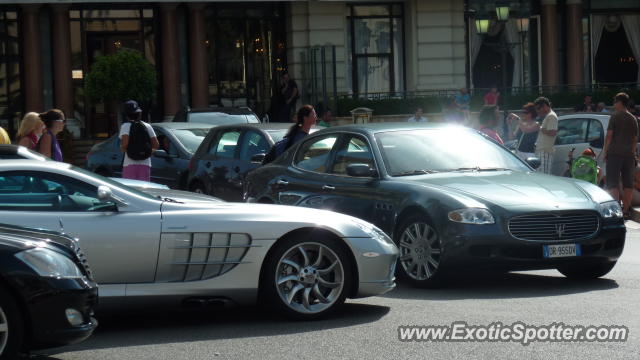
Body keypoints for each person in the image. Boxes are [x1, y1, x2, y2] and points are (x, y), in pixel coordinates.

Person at [604, 92, 638, 219]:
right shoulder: (633, 118)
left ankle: (617, 210)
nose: (614, 105)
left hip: (614, 153)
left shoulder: (615, 116)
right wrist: (633, 153)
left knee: (613, 182)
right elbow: (635, 139)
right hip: (629, 155)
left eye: (615, 102)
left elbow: (609, 136)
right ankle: (626, 211)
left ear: (619, 102)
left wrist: (605, 151)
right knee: (628, 183)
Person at [119, 100, 159, 182]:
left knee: (130, 190)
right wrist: (146, 152)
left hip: (129, 163)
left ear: (126, 115)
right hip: (145, 164)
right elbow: (156, 145)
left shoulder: (125, 126)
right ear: (139, 113)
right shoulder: (147, 126)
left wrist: (122, 148)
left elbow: (125, 144)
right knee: (144, 191)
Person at [533, 97, 558, 174]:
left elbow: (553, 132)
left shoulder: (551, 116)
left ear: (544, 106)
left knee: (544, 176)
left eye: (538, 108)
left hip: (545, 151)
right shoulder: (549, 116)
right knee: (541, 176)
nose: (538, 111)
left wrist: (540, 128)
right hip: (542, 151)